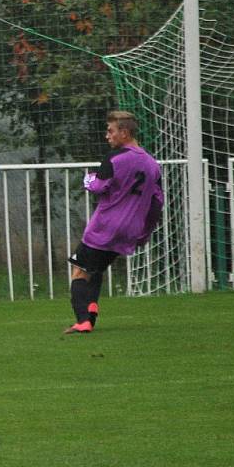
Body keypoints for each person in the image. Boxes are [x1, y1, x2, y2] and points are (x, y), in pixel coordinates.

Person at [65, 110, 164, 334]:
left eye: (111, 131)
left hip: (105, 227)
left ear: (125, 133)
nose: (107, 136)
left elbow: (98, 187)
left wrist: (88, 179)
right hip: (130, 230)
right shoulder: (152, 164)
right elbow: (157, 202)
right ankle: (90, 310)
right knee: (95, 269)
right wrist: (144, 232)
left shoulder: (115, 159)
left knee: (79, 272)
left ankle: (83, 320)